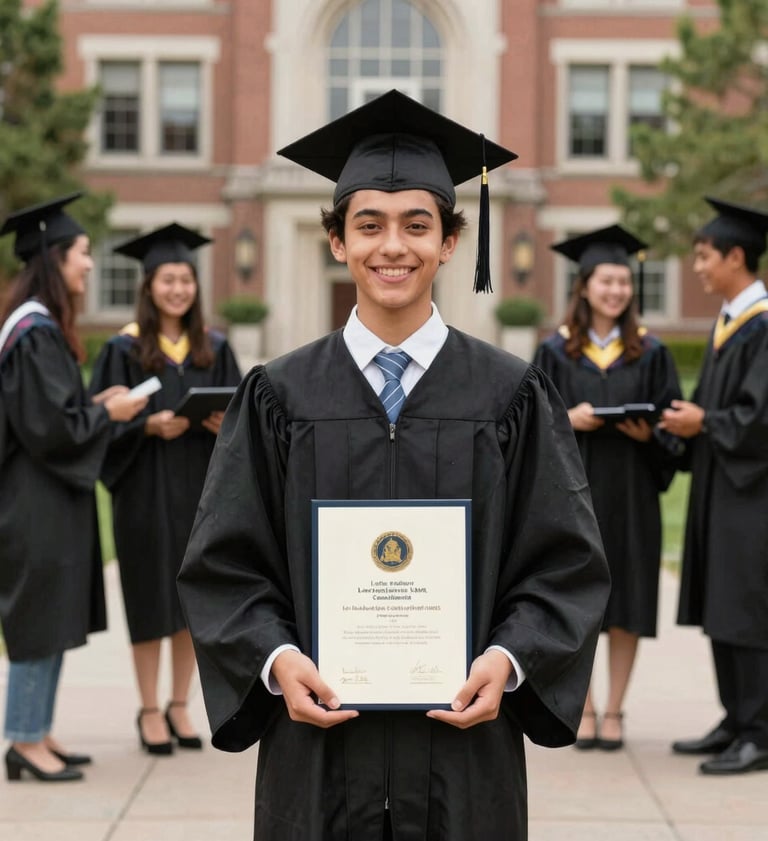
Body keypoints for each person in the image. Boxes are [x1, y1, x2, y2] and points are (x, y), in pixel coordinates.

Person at [177, 89, 610, 841]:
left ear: (450, 242)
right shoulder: (279, 396)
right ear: (337, 241)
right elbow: (225, 562)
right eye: (369, 224)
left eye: (417, 224)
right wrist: (276, 659)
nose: (393, 247)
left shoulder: (510, 395)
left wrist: (509, 659)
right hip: (318, 751)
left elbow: (564, 561)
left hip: (464, 751)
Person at [0, 193, 148, 782]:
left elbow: (54, 413)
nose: (89, 263)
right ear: (53, 258)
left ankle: (37, 729)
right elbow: (50, 429)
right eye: (83, 252)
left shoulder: (38, 328)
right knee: (38, 618)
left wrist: (95, 404)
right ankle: (22, 739)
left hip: (49, 498)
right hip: (32, 501)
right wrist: (107, 414)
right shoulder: (32, 332)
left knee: (53, 615)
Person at [87, 224, 241, 755]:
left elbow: (242, 423)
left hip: (199, 492)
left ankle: (180, 704)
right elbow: (98, 424)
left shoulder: (214, 347)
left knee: (191, 599)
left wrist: (223, 425)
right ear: (150, 286)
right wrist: (146, 426)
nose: (178, 290)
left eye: (186, 280)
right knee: (149, 599)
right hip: (144, 493)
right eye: (168, 280)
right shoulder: (122, 349)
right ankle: (149, 707)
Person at [533, 226, 683, 752]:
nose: (616, 291)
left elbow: (673, 429)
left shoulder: (652, 352)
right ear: (585, 287)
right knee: (577, 603)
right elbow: (530, 426)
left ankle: (615, 708)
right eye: (606, 281)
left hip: (632, 494)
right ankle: (587, 708)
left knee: (628, 602)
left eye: (623, 282)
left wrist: (651, 433)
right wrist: (567, 418)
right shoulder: (554, 352)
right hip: (574, 495)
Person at [659, 197, 768, 775]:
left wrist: (705, 422)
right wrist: (682, 426)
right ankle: (736, 718)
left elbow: (758, 418)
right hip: (725, 487)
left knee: (748, 607)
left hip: (755, 494)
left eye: (704, 257)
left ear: (735, 257)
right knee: (724, 604)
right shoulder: (730, 321)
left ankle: (760, 731)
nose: (697, 267)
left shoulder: (763, 324)